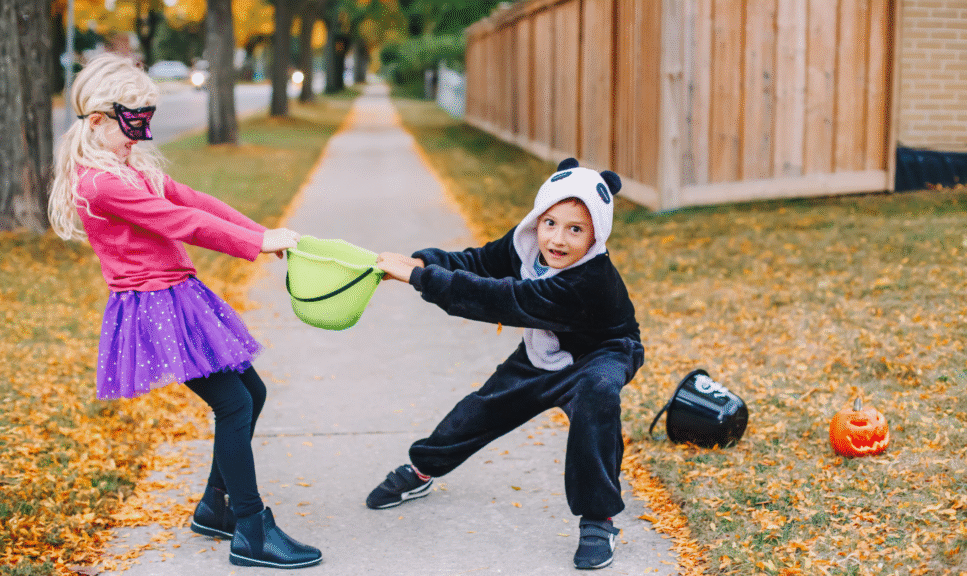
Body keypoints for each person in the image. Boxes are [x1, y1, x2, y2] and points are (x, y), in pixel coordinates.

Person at [48, 54, 321, 570]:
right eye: (134, 123)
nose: (142, 135)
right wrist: (257, 243)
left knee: (251, 393)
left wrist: (263, 233)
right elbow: (180, 223)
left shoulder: (130, 169)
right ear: (99, 120)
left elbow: (195, 200)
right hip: (155, 310)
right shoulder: (100, 183)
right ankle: (250, 529)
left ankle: (215, 508)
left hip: (179, 298)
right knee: (235, 405)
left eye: (147, 121)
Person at [369, 158, 644, 570]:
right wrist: (425, 262)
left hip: (602, 352)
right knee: (482, 409)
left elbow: (504, 300)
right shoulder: (527, 243)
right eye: (550, 222)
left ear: (596, 235)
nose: (558, 239)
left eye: (576, 229)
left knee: (596, 399)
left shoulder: (589, 280)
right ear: (538, 217)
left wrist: (421, 281)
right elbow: (479, 263)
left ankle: (598, 519)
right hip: (544, 350)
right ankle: (423, 467)